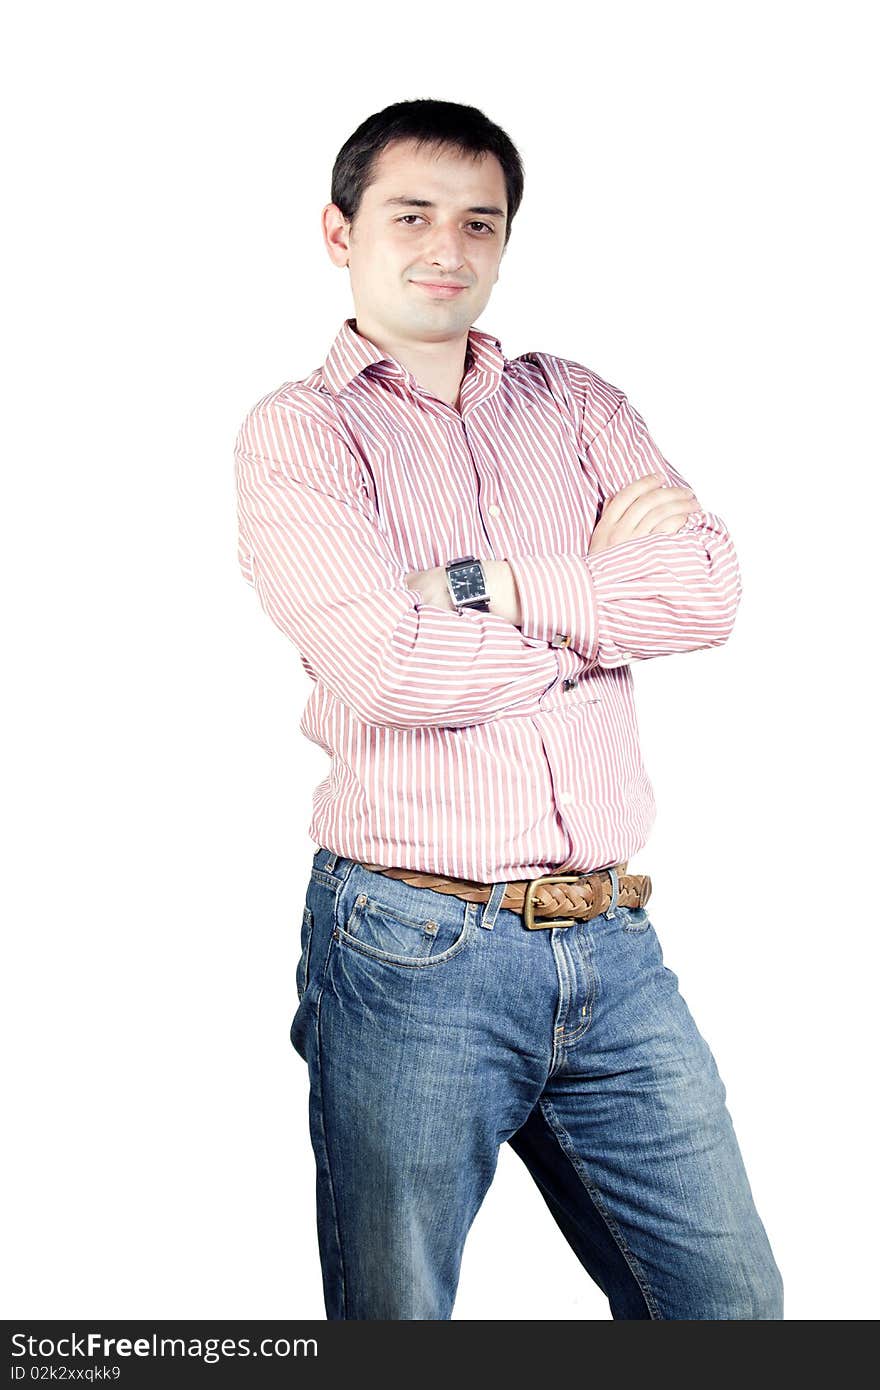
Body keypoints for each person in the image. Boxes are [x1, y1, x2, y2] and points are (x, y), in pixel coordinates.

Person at [233, 97, 783, 1320]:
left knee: (729, 1308)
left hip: (614, 945)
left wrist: (492, 590)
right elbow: (388, 667)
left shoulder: (575, 402)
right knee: (401, 1318)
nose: (447, 248)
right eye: (411, 215)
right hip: (410, 944)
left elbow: (707, 591)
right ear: (340, 231)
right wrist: (596, 622)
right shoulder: (302, 435)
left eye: (479, 222)